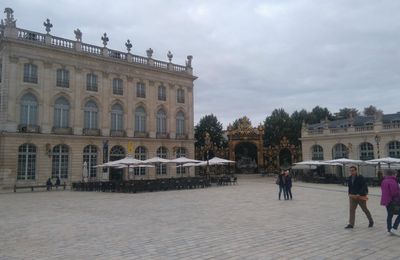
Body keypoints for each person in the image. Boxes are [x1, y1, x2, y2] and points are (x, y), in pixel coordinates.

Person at [380, 169, 400, 235]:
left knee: (389, 215)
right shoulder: (392, 181)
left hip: (386, 201)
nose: (396, 174)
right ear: (393, 174)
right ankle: (394, 228)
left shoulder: (384, 181)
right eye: (395, 173)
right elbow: (394, 192)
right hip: (393, 201)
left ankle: (389, 229)